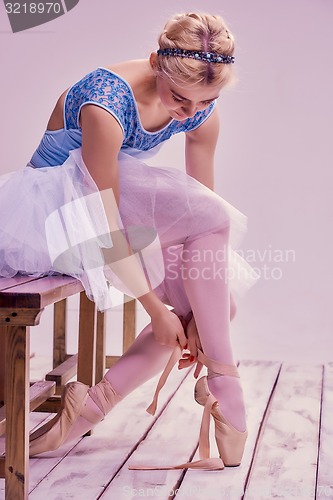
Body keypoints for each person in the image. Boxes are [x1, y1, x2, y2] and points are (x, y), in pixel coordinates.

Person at [0, 12, 258, 469]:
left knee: (214, 309)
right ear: (156, 61)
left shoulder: (198, 107)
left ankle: (94, 404)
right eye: (180, 99)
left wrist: (193, 304)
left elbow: (202, 208)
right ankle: (226, 384)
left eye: (206, 101)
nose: (190, 113)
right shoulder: (106, 103)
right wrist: (153, 307)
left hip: (113, 204)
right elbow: (102, 222)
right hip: (58, 211)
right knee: (185, 312)